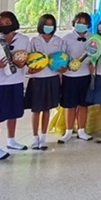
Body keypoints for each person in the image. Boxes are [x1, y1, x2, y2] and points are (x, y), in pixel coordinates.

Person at [0, 12, 29, 161]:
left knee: (14, 112)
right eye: (1, 24)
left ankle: (11, 140)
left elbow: (27, 58)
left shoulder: (23, 39)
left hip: (16, 80)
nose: (4, 25)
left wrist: (22, 64)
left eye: (8, 22)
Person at [25, 14, 63, 151]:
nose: (49, 27)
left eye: (51, 24)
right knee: (36, 110)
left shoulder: (59, 41)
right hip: (37, 79)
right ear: (41, 25)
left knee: (47, 109)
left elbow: (63, 58)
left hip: (52, 78)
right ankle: (34, 137)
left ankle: (43, 137)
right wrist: (30, 69)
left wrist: (62, 68)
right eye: (46, 24)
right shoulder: (34, 40)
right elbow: (28, 59)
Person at [59, 13, 93, 143]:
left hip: (86, 75)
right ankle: (68, 131)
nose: (81, 25)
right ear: (74, 23)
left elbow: (96, 55)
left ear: (88, 25)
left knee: (83, 104)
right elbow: (62, 56)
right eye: (79, 22)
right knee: (70, 105)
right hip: (69, 76)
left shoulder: (93, 38)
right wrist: (63, 67)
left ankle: (82, 130)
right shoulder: (66, 38)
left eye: (84, 23)